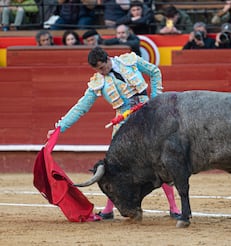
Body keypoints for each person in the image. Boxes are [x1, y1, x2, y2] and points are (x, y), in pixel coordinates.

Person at [46, 46, 181, 221]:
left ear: (108, 59)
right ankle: (108, 209)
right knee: (115, 169)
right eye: (97, 70)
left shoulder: (129, 61)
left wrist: (156, 98)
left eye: (102, 68)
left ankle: (174, 207)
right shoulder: (98, 82)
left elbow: (154, 71)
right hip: (123, 126)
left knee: (158, 161)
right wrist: (60, 127)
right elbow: (81, 107)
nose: (101, 72)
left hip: (148, 117)